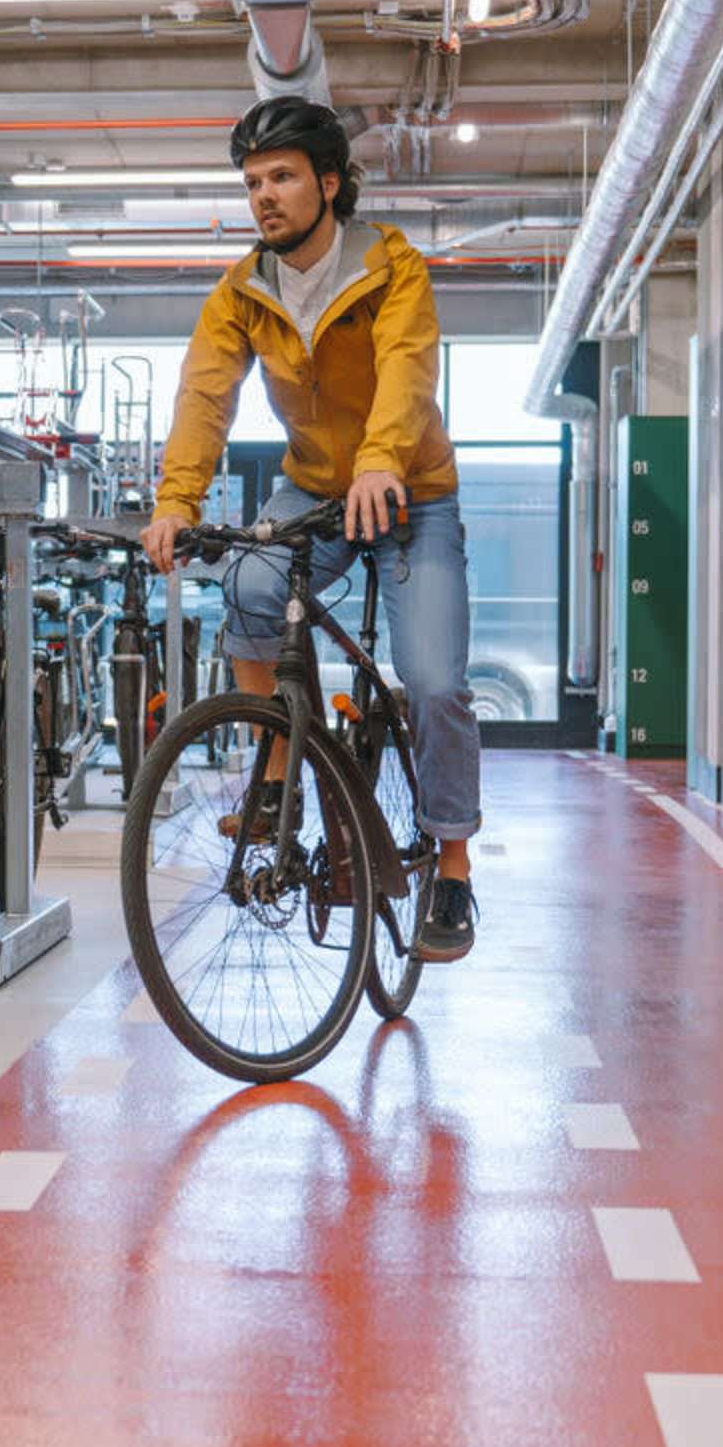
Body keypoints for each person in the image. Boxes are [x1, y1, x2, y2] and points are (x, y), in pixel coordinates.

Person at [140, 97, 483, 962]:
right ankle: (278, 764)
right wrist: (176, 500)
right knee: (248, 586)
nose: (265, 195)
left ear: (329, 184)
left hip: (410, 491)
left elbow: (407, 368)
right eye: (254, 181)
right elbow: (205, 396)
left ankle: (453, 865)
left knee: (434, 678)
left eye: (283, 176)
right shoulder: (241, 291)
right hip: (313, 492)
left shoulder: (391, 266)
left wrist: (381, 462)